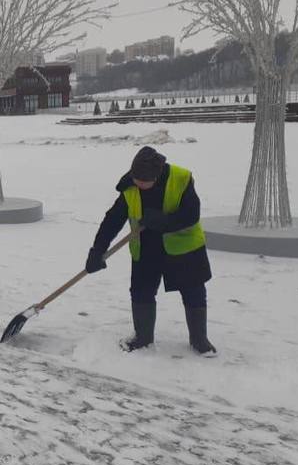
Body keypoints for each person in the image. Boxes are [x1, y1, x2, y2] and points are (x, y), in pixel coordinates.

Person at [86, 146, 216, 356]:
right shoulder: (130, 185)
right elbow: (113, 219)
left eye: (144, 182)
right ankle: (143, 338)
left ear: (157, 175)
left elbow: (192, 214)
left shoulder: (181, 178)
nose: (139, 185)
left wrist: (164, 221)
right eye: (136, 180)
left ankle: (200, 339)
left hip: (183, 246)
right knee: (141, 291)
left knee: (193, 291)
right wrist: (97, 249)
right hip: (146, 246)